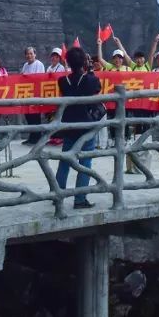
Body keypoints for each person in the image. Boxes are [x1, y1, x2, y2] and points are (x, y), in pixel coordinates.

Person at [54, 47, 102, 208]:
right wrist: (90, 71)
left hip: (68, 125)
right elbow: (97, 87)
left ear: (67, 62)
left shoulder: (63, 81)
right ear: (84, 62)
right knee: (85, 162)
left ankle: (57, 195)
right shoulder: (90, 79)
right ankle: (80, 199)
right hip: (86, 126)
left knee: (65, 161)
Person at [20, 47, 45, 145]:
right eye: (27, 54)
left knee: (35, 117)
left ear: (35, 54)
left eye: (31, 53)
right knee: (28, 117)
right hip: (27, 95)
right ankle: (31, 137)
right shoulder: (25, 65)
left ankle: (37, 138)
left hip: (35, 95)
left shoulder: (39, 64)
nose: (29, 55)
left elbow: (40, 78)